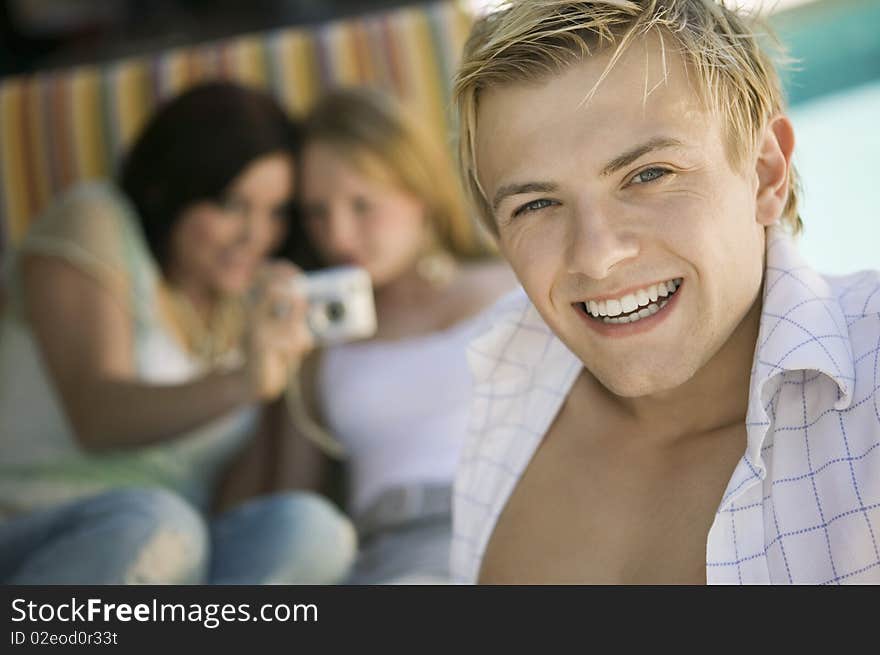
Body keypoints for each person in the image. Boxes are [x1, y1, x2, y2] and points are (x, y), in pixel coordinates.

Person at [449, 0, 880, 584]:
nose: (597, 257)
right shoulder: (507, 367)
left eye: (649, 174)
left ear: (765, 172)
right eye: (537, 204)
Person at [0, 81, 356, 584]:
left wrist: (287, 375)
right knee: (156, 522)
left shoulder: (251, 302)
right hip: (36, 530)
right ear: (171, 187)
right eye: (232, 204)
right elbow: (97, 416)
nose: (256, 236)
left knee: (311, 528)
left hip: (171, 565)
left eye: (276, 212)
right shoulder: (96, 218)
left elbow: (232, 503)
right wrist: (242, 384)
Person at [290, 88, 516, 584]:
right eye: (317, 214)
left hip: (528, 523)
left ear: (419, 190)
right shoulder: (316, 343)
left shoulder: (512, 283)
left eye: (362, 205)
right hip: (397, 548)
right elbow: (289, 517)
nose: (339, 237)